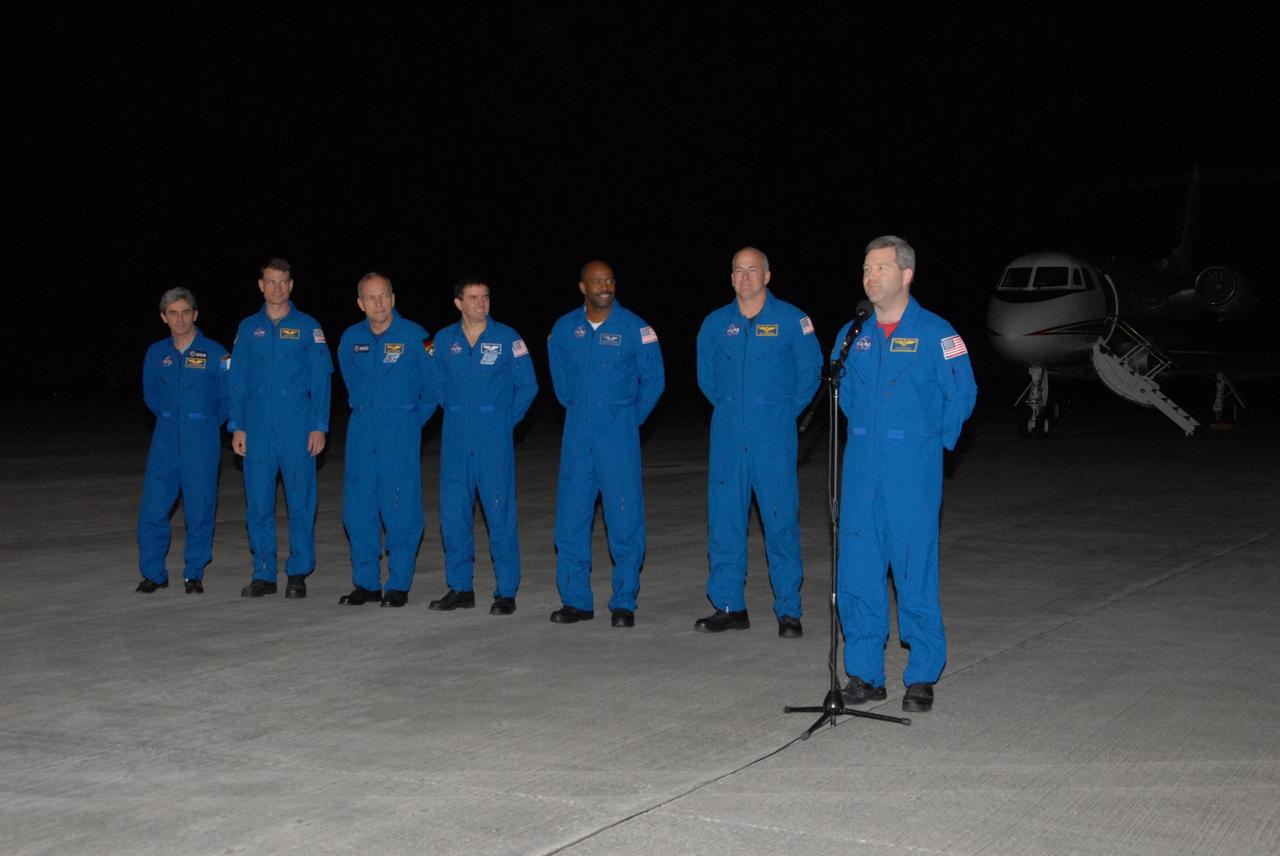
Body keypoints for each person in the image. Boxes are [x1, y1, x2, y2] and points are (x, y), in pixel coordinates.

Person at [834, 235, 977, 713]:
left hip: (911, 471)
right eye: (866, 268)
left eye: (881, 268)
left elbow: (962, 393)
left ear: (907, 274)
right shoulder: (852, 334)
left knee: (914, 569)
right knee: (858, 571)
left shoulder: (937, 332)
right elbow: (845, 396)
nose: (870, 276)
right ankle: (865, 674)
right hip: (861, 468)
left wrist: (931, 444)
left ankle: (921, 675)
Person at [695, 247, 823, 637]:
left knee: (780, 521)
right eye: (738, 270)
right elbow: (707, 378)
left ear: (767, 276)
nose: (745, 277)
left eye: (753, 270)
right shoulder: (715, 324)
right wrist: (734, 408)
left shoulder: (793, 320)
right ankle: (729, 606)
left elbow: (810, 372)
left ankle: (789, 610)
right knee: (725, 522)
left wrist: (780, 412)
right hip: (728, 435)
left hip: (774, 435)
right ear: (731, 277)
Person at [547, 260, 665, 627]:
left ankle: (624, 602)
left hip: (618, 436)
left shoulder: (636, 328)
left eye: (610, 280)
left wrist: (628, 419)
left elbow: (654, 381)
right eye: (596, 281)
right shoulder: (564, 328)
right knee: (571, 518)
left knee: (625, 518)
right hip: (578, 435)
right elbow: (560, 381)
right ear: (582, 287)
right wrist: (581, 409)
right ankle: (576, 601)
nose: (604, 287)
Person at [424, 278, 537, 615]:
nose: (481, 304)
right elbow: (435, 384)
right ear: (458, 303)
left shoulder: (508, 338)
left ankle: (506, 591)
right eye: (473, 298)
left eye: (485, 297)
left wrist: (504, 421)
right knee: (453, 515)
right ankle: (460, 587)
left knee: (499, 514)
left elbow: (528, 386)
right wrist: (458, 410)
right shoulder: (444, 340)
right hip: (456, 440)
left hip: (493, 441)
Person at [228, 258, 333, 599]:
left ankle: (298, 572)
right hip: (257, 427)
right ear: (261, 285)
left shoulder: (308, 326)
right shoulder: (248, 328)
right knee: (258, 503)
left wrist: (319, 426)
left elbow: (321, 379)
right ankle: (263, 573)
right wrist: (237, 425)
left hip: (297, 425)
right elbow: (237, 380)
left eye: (283, 282)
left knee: (300, 502)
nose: (277, 288)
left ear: (291, 285)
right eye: (271, 282)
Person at [336, 273, 435, 608]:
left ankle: (398, 584)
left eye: (384, 296)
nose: (378, 303)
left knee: (400, 507)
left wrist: (410, 423)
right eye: (371, 297)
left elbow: (434, 388)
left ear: (393, 298)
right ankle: (365, 583)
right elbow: (350, 380)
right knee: (358, 508)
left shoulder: (417, 337)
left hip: (400, 431)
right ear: (360, 303)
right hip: (362, 431)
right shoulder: (351, 339)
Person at [136, 288, 230, 593]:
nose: (180, 319)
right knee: (153, 509)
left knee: (199, 510)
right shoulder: (156, 353)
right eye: (173, 313)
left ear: (195, 315)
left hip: (201, 441)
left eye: (186, 312)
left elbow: (228, 398)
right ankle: (154, 573)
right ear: (164, 317)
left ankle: (194, 573)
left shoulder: (217, 354)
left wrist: (202, 423)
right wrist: (172, 418)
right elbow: (150, 396)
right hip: (165, 440)